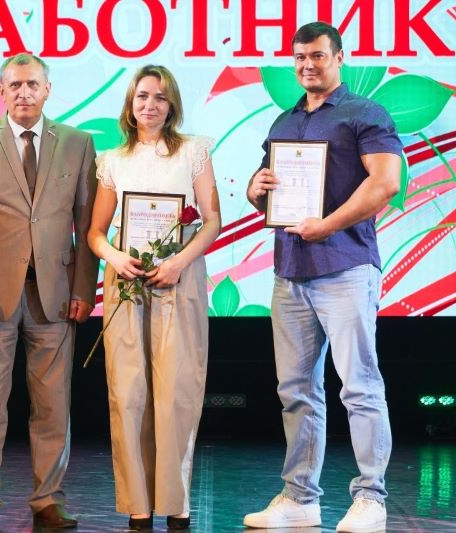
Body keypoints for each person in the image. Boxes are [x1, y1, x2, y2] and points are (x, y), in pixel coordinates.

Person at [242, 22, 401, 533]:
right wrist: (256, 189)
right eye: (299, 58)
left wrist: (328, 225)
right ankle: (300, 498)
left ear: (338, 58)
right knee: (296, 390)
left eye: (317, 56)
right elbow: (267, 189)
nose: (307, 65)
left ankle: (371, 498)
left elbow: (386, 183)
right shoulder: (284, 120)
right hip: (290, 271)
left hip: (346, 267)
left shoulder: (365, 113)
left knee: (359, 387)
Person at [0, 53, 99, 529]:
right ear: (0, 91)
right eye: (14, 85)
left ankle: (48, 499)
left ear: (47, 89)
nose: (24, 93)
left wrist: (84, 287)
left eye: (32, 84)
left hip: (56, 294)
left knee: (53, 405)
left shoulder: (78, 143)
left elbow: (86, 223)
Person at [87, 65, 221, 531]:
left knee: (176, 393)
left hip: (178, 278)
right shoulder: (112, 160)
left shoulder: (193, 151)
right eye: (142, 96)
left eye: (160, 97)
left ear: (172, 105)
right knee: (128, 394)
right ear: (130, 103)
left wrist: (178, 262)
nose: (150, 105)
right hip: (126, 281)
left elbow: (212, 221)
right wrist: (114, 257)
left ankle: (176, 504)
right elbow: (96, 232)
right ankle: (139, 506)